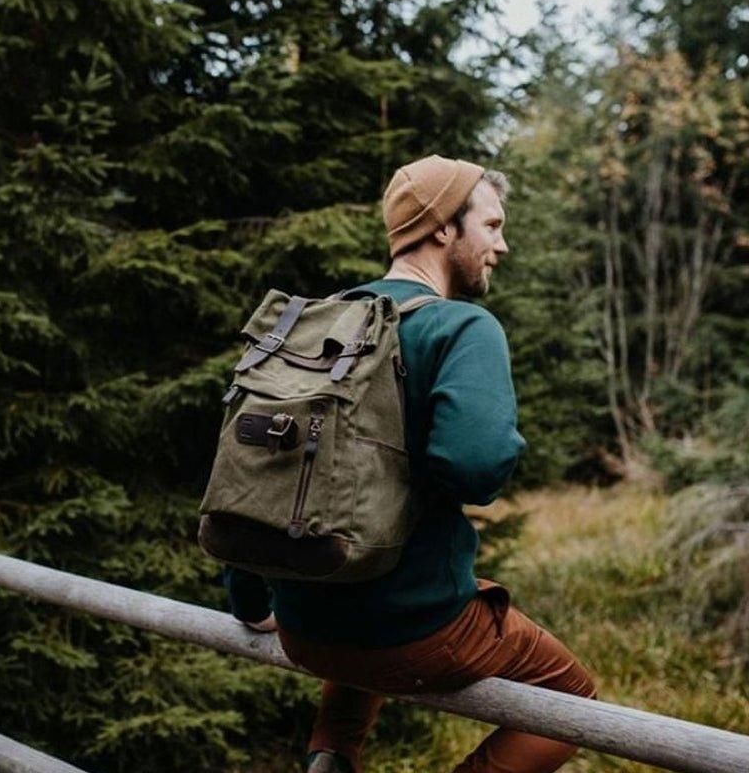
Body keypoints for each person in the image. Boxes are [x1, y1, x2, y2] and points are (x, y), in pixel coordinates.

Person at [222, 155, 596, 773]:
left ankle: (330, 756)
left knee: (364, 615)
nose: (501, 245)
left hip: (304, 625)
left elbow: (255, 470)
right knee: (572, 698)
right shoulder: (462, 327)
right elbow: (478, 468)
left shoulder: (317, 324)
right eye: (492, 226)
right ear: (444, 229)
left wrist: (250, 601)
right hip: (418, 632)